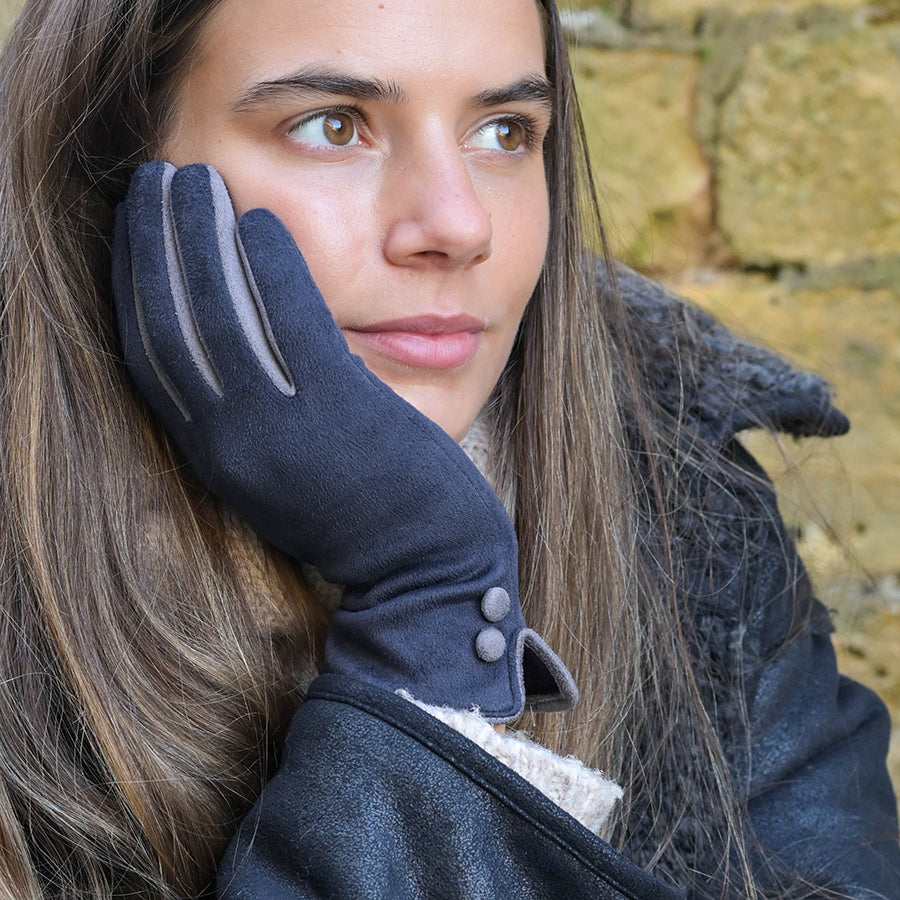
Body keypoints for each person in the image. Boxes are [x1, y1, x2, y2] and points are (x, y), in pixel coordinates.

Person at [0, 0, 897, 898]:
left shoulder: (685, 504)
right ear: (106, 175)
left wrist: (430, 599)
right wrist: (432, 608)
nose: (459, 225)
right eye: (332, 125)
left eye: (505, 131)